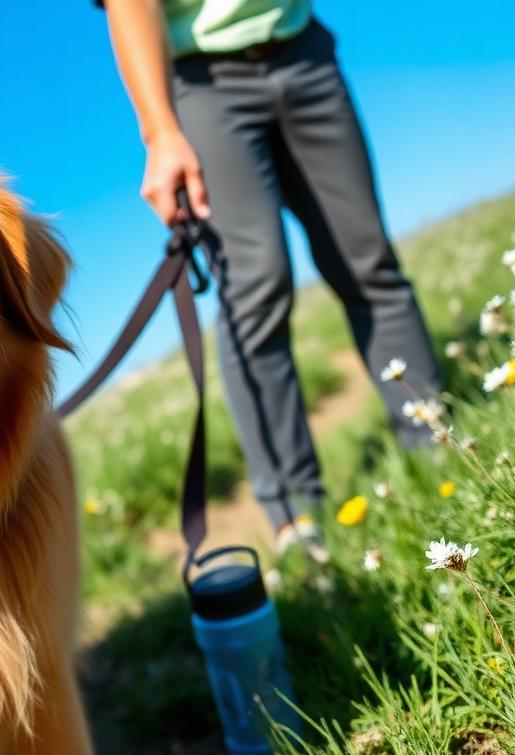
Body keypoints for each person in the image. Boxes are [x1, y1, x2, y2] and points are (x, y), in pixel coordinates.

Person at [97, 0, 442, 550]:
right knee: (256, 285)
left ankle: (439, 448)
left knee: (367, 259)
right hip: (202, 80)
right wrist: (161, 134)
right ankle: (296, 517)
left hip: (302, 50)